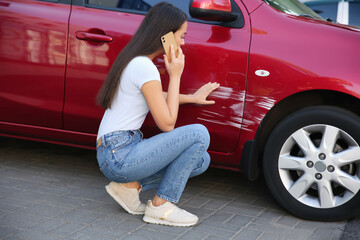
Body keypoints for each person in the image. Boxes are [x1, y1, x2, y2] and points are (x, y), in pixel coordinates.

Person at [96, 2, 220, 227]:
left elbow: (156, 95)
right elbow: (167, 124)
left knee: (200, 161)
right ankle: (161, 205)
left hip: (116, 150)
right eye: (181, 36)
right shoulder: (144, 66)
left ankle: (129, 187)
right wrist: (175, 75)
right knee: (199, 134)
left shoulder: (137, 61)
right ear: (166, 36)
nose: (183, 42)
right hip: (119, 153)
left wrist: (192, 98)